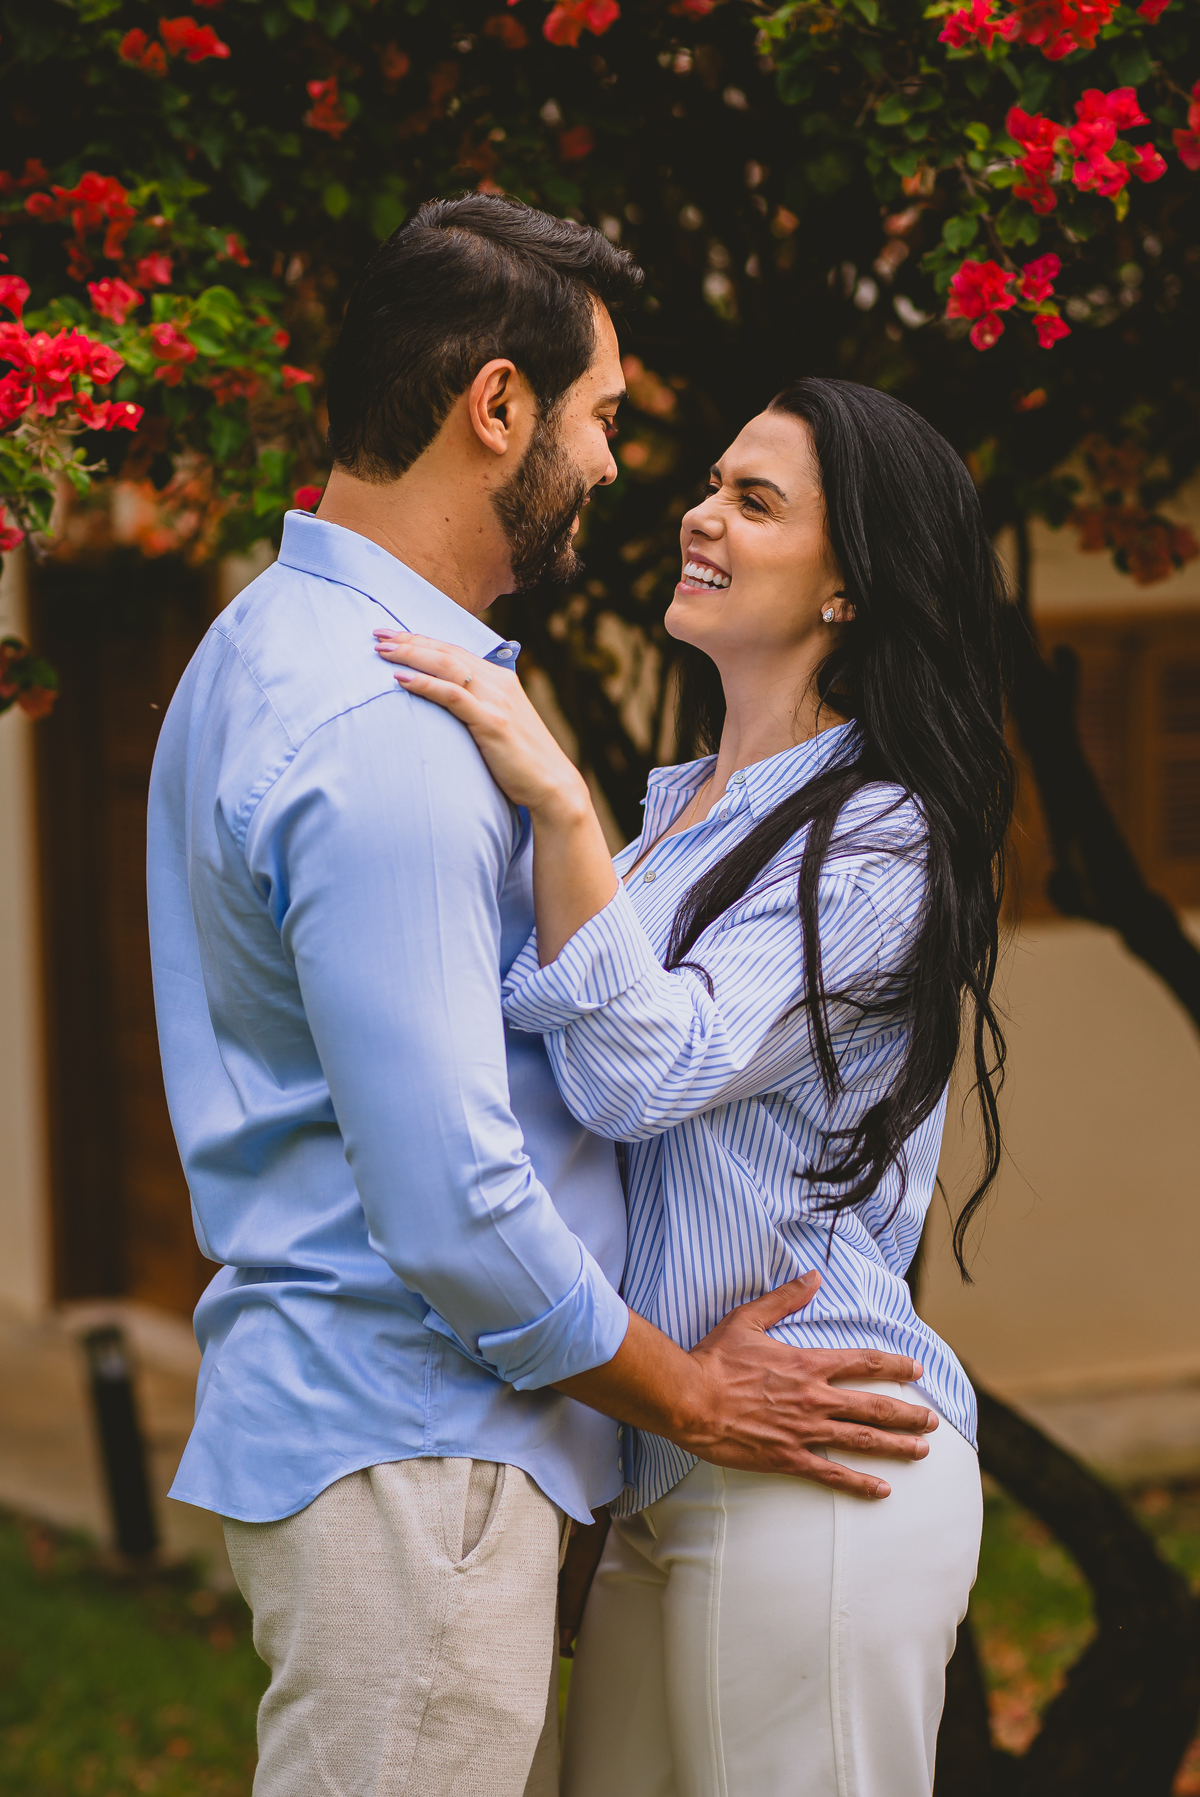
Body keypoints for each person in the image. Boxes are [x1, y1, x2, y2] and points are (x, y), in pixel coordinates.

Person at [146, 202, 938, 1797]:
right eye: (604, 419)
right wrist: (679, 1389)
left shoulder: (269, 645)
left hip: (445, 1439)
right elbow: (453, 1198)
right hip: (423, 1435)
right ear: (496, 407)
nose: (621, 467)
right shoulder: (390, 725)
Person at [372, 374, 1015, 1797]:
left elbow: (633, 1068)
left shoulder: (885, 841)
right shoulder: (677, 822)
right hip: (672, 1457)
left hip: (822, 1465)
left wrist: (553, 797)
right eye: (713, 483)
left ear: (854, 585)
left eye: (756, 500)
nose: (700, 514)